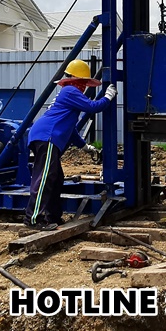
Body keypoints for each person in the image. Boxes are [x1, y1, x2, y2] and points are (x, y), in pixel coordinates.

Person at [24, 59, 116, 230]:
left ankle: (52, 216)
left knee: (56, 178)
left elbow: (70, 129)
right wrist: (108, 97)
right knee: (45, 178)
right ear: (76, 80)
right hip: (47, 137)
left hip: (45, 136)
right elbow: (93, 107)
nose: (84, 87)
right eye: (83, 82)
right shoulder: (70, 90)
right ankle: (34, 219)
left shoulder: (68, 94)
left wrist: (85, 146)